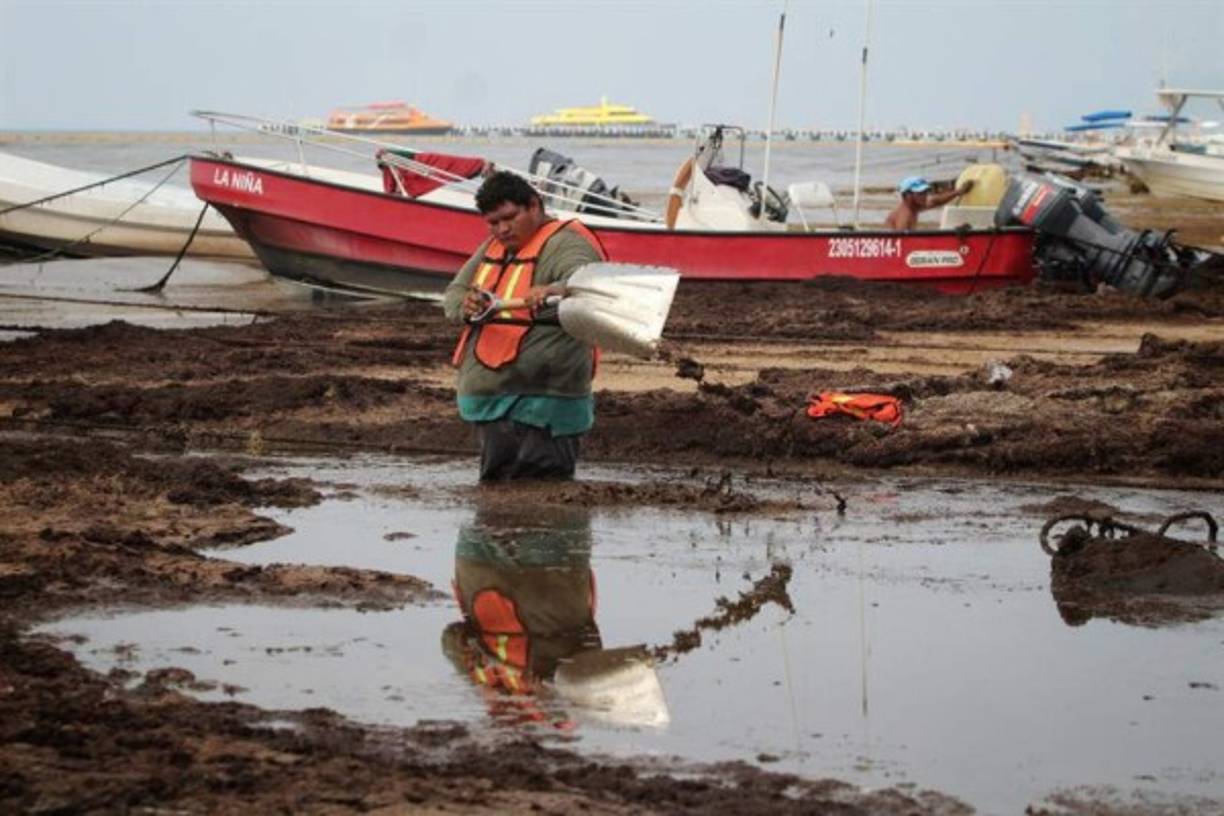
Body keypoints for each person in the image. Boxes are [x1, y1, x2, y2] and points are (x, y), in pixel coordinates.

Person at [443, 171, 606, 481]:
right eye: (493, 223)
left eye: (509, 218)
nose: (502, 229)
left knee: (546, 502)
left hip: (546, 403)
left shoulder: (567, 242)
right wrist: (468, 306)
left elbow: (589, 283)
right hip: (491, 400)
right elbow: (454, 296)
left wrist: (554, 290)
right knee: (496, 503)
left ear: (534, 205)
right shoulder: (492, 247)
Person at [884, 175, 975, 231]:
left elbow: (936, 201)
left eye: (925, 192)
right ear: (908, 195)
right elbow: (903, 245)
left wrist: (958, 192)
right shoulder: (905, 217)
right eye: (920, 193)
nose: (925, 196)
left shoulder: (913, 206)